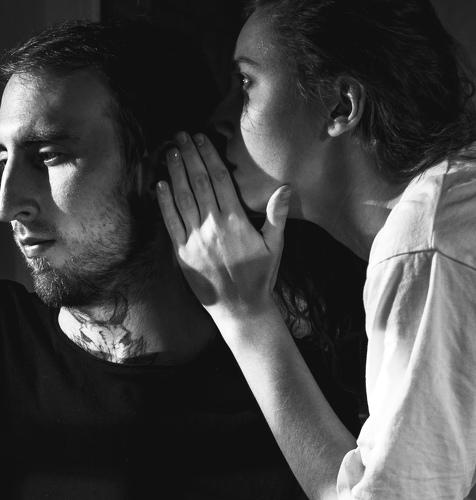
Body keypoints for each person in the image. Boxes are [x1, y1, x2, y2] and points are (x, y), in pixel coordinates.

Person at [0, 19, 365, 499]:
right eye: (3, 159)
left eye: (49, 155)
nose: (6, 205)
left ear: (165, 165)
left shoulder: (296, 398)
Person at [156, 0, 476, 498]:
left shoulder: (426, 246)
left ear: (340, 108)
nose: (220, 119)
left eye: (245, 84)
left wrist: (245, 317)